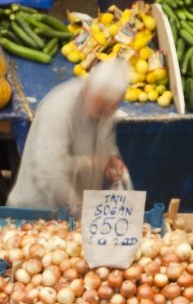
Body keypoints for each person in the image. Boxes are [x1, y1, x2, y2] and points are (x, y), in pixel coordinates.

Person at [8, 57, 130, 214]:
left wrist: (110, 160)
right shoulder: (59, 109)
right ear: (87, 89)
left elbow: (105, 141)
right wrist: (80, 211)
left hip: (76, 215)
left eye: (110, 108)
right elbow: (49, 172)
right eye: (101, 108)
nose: (105, 112)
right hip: (38, 211)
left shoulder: (104, 108)